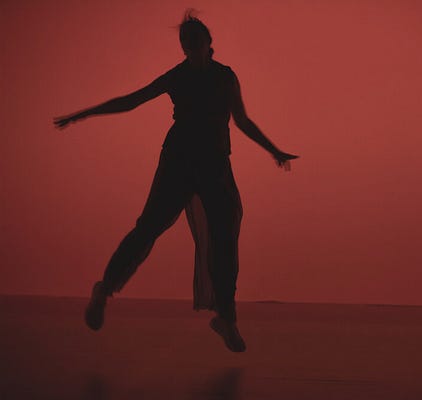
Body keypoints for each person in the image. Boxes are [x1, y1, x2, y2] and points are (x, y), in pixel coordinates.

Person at [53, 11, 298, 353]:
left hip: (214, 166)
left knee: (225, 237)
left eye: (195, 40)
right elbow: (132, 100)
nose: (191, 47)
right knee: (148, 227)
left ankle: (226, 318)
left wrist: (274, 150)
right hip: (178, 164)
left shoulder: (225, 77)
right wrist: (83, 114)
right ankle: (104, 290)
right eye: (185, 42)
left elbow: (241, 120)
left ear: (208, 43)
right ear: (183, 47)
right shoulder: (177, 77)